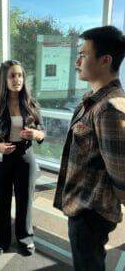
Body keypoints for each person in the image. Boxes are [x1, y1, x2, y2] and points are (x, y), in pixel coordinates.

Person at [53, 25, 125, 271]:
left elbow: (121, 174)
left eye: (83, 54)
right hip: (82, 206)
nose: (77, 61)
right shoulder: (92, 100)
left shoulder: (110, 108)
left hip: (91, 213)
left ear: (105, 60)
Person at [0, 59, 45, 258]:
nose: (17, 79)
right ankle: (0, 241)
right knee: (1, 202)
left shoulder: (31, 103)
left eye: (20, 75)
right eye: (12, 75)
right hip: (1, 157)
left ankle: (25, 239)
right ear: (4, 79)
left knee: (24, 201)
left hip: (25, 158)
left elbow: (42, 131)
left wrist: (35, 135)